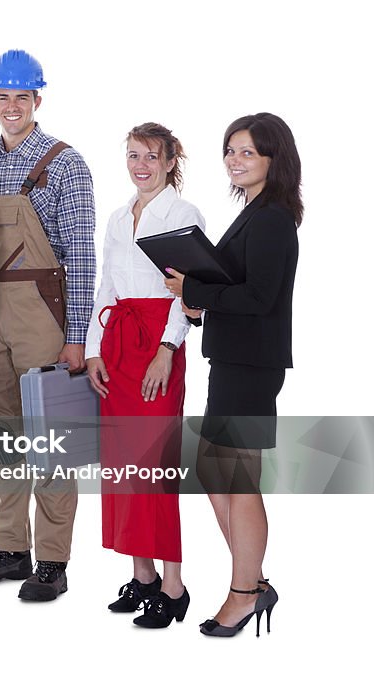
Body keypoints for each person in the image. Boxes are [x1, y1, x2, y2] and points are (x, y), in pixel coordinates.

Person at [0, 49, 96, 601]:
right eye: (3, 96)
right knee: (4, 436)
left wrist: (77, 337)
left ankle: (53, 560)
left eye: (22, 96)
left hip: (43, 310)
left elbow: (82, 256)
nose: (11, 106)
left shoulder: (66, 163)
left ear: (38, 100)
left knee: (53, 440)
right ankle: (11, 547)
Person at [164, 112, 301, 637]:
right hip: (235, 359)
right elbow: (241, 291)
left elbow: (261, 297)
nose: (235, 160)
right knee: (219, 475)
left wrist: (195, 294)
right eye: (230, 151)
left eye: (248, 152)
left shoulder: (271, 218)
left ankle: (246, 592)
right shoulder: (254, 212)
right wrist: (203, 306)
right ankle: (253, 582)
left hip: (251, 364)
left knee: (235, 478)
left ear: (274, 159)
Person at [85, 123, 203, 628]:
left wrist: (166, 349)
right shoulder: (116, 218)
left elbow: (189, 287)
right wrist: (94, 351)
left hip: (157, 341)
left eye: (151, 156)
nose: (141, 165)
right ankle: (143, 576)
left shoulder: (182, 214)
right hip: (118, 344)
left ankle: (173, 585)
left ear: (171, 161)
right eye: (133, 155)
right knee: (123, 464)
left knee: (155, 467)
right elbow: (105, 285)